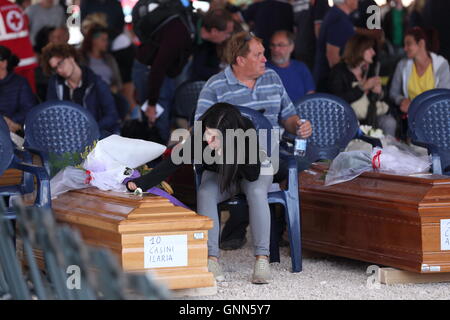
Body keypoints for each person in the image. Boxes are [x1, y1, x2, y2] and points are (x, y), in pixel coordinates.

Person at [127, 103, 274, 284]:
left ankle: (262, 259)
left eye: (214, 137)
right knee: (205, 192)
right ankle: (211, 259)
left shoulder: (245, 131)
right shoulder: (201, 135)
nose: (207, 139)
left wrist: (229, 154)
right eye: (207, 133)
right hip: (220, 173)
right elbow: (174, 161)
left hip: (252, 172)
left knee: (257, 192)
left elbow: (252, 174)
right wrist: (140, 183)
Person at [195, 31, 312, 251]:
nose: (265, 59)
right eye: (258, 55)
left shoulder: (272, 78)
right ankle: (210, 257)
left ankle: (272, 247)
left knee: (286, 174)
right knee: (206, 191)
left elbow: (288, 117)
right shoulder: (215, 86)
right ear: (240, 60)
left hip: (268, 156)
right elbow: (199, 128)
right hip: (228, 160)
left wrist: (298, 125)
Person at [41, 43, 120, 138]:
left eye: (60, 63)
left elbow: (112, 115)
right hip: (69, 138)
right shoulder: (55, 83)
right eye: (55, 68)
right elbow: (51, 114)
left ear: (71, 57)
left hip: (98, 135)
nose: (59, 70)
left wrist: (90, 129)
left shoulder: (96, 82)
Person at [328, 34, 397, 136]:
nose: (373, 53)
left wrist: (380, 92)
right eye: (369, 49)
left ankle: (388, 151)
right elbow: (337, 100)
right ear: (359, 50)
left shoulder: (371, 69)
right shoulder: (339, 71)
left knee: (389, 122)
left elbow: (383, 97)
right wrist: (362, 88)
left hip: (370, 116)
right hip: (347, 117)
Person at [389, 27, 450, 122]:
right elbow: (393, 93)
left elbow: (443, 97)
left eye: (408, 44)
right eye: (404, 45)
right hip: (410, 118)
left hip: (434, 119)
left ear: (421, 43)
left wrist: (414, 104)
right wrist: (402, 100)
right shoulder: (402, 65)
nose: (405, 48)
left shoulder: (442, 65)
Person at [313, 0, 358, 92]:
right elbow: (332, 57)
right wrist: (344, 82)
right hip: (330, 82)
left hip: (328, 79)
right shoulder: (339, 20)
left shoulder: (337, 16)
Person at [267, 30, 315, 104]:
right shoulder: (263, 69)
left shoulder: (301, 68)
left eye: (280, 45)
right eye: (273, 45)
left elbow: (310, 97)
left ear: (291, 47)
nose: (275, 49)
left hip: (299, 112)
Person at [0, 0, 38, 92]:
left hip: (9, 63)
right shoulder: (15, 6)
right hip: (27, 59)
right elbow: (27, 24)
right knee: (29, 95)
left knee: (10, 99)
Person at [0, 46, 36, 134]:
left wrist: (8, 122)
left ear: (4, 63)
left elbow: (29, 110)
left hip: (15, 130)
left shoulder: (20, 82)